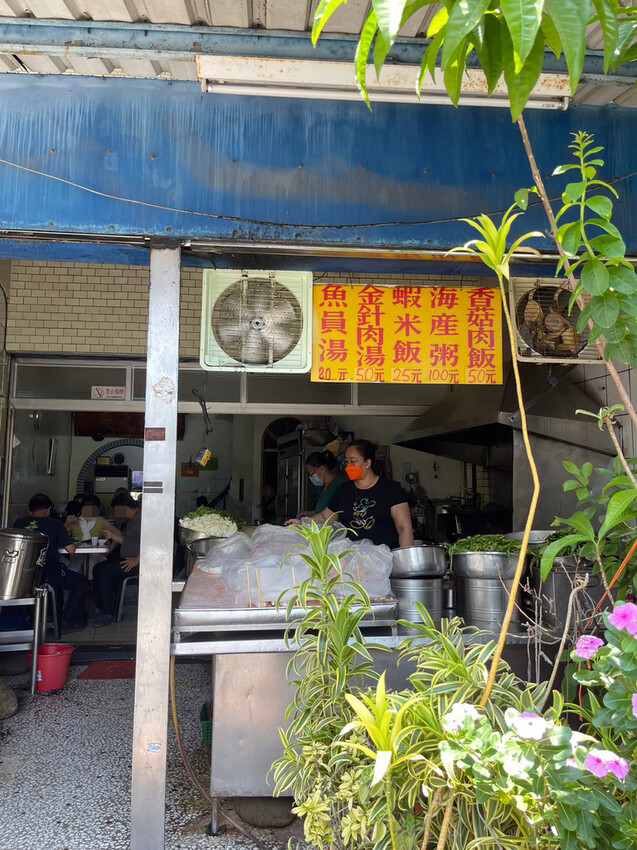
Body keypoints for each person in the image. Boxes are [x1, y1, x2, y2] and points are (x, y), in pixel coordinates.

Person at [287, 440, 414, 550]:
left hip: (384, 561)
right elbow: (325, 517)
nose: (348, 466)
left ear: (367, 463)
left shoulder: (390, 489)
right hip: (353, 561)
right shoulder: (344, 490)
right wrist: (303, 523)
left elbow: (404, 527)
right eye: (347, 462)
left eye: (353, 461)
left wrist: (406, 562)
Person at [13, 493, 87, 631]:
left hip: (22, 575)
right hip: (47, 572)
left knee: (58, 582)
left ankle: (39, 615)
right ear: (48, 509)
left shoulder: (19, 523)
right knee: (81, 582)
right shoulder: (55, 524)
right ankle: (69, 621)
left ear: (30, 511)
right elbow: (71, 550)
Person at [92, 493, 141, 627]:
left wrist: (137, 559)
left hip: (137, 563)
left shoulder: (142, 519)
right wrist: (111, 535)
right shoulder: (131, 520)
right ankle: (102, 607)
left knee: (103, 572)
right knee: (98, 568)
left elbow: (152, 543)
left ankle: (106, 613)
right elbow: (128, 541)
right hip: (129, 559)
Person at [298, 450, 346, 518]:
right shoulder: (325, 487)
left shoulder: (338, 486)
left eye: (311, 473)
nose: (311, 476)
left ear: (322, 468)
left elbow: (332, 515)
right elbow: (322, 511)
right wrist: (309, 513)